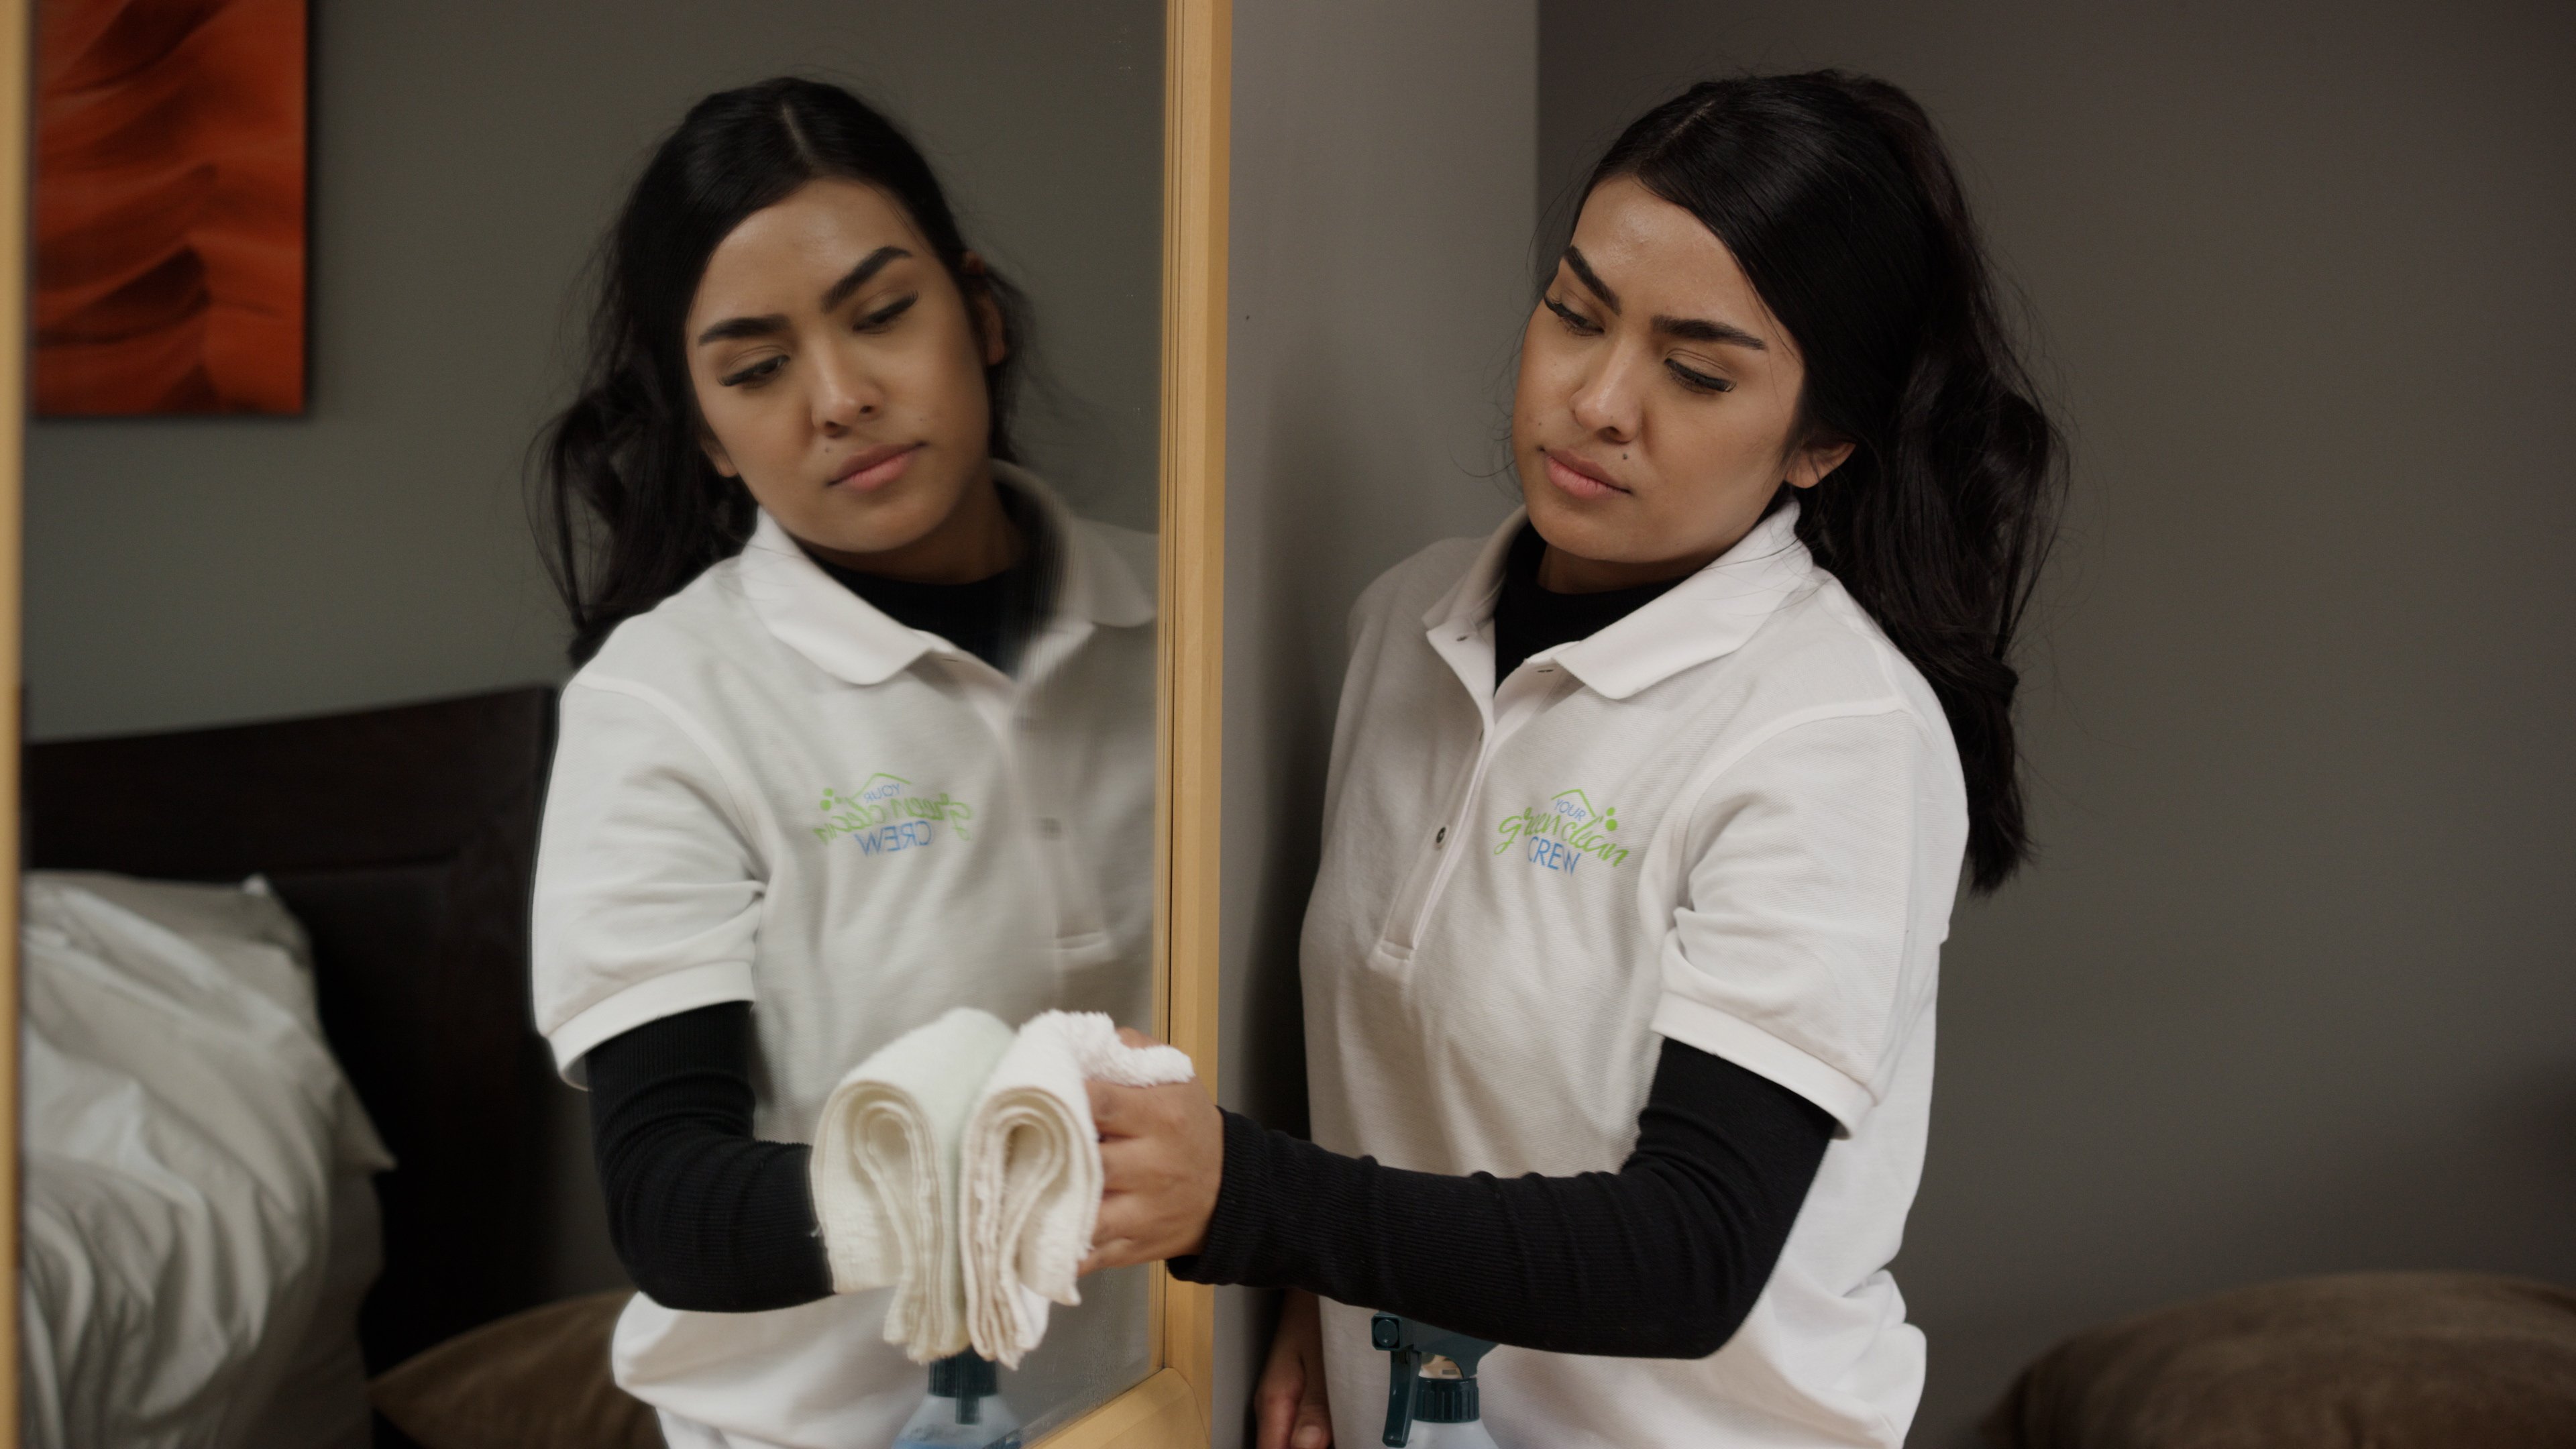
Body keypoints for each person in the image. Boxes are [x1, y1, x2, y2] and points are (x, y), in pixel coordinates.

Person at [1082, 71, 2063, 1448]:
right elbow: (1427, 1085)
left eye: (1696, 369)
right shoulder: (1403, 629)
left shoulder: (1833, 730)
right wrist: (1328, 1284)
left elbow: (1691, 1255)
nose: (1598, 399)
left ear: (1823, 441)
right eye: (1576, 311)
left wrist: (1250, 1203)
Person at [526, 77, 1157, 1449]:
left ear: (978, 315)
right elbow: (671, 1206)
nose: (841, 398)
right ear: (706, 432)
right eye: (756, 370)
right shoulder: (666, 703)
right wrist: (1006, 1172)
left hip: (1156, 1409)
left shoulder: (1192, 626)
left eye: (883, 316)